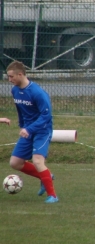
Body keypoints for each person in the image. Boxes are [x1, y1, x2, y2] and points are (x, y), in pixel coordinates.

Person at [6, 61, 58, 203]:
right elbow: (21, 110)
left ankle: (52, 195)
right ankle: (46, 176)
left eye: (11, 77)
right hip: (27, 130)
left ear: (20, 74)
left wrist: (29, 129)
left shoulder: (38, 93)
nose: (10, 80)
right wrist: (23, 126)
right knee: (15, 163)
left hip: (42, 131)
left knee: (37, 161)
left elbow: (46, 116)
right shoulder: (15, 90)